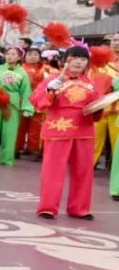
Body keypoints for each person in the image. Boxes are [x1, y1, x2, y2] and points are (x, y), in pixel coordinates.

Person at [30, 45, 101, 220]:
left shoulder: (90, 83)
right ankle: (47, 207)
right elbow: (37, 102)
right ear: (65, 60)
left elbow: (97, 107)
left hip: (84, 131)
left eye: (83, 59)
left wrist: (100, 107)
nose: (78, 62)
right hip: (58, 129)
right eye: (74, 58)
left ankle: (79, 208)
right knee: (53, 171)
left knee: (83, 171)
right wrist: (51, 89)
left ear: (87, 63)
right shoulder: (53, 80)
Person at [17, 48, 56, 160]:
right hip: (22, 100)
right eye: (30, 54)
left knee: (36, 127)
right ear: (25, 57)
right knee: (20, 126)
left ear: (40, 57)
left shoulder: (46, 69)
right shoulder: (20, 69)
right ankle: (16, 148)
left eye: (35, 54)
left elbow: (54, 80)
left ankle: (34, 150)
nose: (32, 56)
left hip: (38, 101)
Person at [91, 34, 119, 168]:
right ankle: (88, 166)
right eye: (115, 40)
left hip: (117, 109)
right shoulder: (100, 61)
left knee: (117, 142)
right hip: (100, 106)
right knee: (94, 139)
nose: (117, 43)